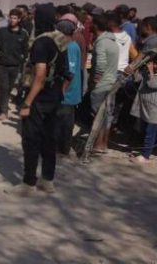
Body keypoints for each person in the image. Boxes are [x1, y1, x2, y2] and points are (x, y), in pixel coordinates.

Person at [16, 18, 73, 195]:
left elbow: (39, 77)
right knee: (49, 140)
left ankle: (28, 184)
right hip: (54, 98)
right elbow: (68, 75)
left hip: (39, 99)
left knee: (31, 140)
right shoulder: (61, 43)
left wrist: (27, 103)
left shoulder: (41, 43)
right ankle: (47, 180)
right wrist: (60, 93)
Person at [0, 8, 29, 120]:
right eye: (11, 18)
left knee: (10, 87)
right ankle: (3, 111)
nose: (12, 20)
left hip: (15, 66)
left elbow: (25, 50)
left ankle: (4, 105)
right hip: (2, 64)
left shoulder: (23, 34)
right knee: (4, 87)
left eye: (15, 18)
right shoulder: (2, 32)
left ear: (19, 19)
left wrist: (22, 58)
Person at [89, 14, 120, 154]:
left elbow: (101, 64)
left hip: (102, 84)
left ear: (96, 25)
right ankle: (103, 145)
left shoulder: (101, 42)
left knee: (98, 115)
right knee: (107, 114)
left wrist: (96, 79)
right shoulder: (113, 41)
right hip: (112, 82)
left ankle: (96, 144)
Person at [55, 14, 83, 156]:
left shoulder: (70, 47)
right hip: (70, 92)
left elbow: (69, 74)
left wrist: (62, 91)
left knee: (65, 123)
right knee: (64, 121)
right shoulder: (71, 46)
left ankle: (63, 149)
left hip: (68, 93)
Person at [130, 17, 157, 164]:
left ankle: (146, 154)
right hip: (150, 96)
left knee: (151, 127)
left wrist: (150, 72)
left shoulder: (152, 42)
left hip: (153, 98)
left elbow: (153, 84)